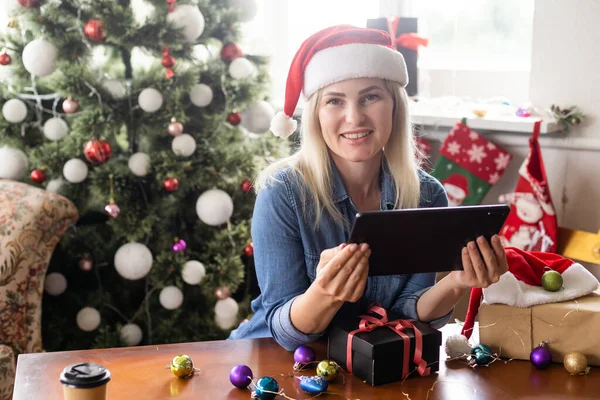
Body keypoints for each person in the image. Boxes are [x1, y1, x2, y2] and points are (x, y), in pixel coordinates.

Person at [228, 25, 508, 351]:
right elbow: (285, 332)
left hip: (364, 366)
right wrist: (325, 293)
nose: (354, 117)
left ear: (394, 106)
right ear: (315, 115)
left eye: (370, 97)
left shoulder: (427, 195)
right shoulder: (282, 192)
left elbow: (406, 309)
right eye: (334, 101)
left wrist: (457, 283)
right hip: (271, 363)